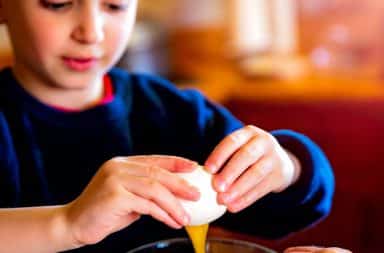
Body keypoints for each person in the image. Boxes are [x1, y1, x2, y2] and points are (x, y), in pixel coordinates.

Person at [0, 1, 334, 252]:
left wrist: (286, 167)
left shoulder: (174, 113)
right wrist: (65, 224)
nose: (91, 32)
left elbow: (284, 211)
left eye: (114, 5)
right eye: (57, 3)